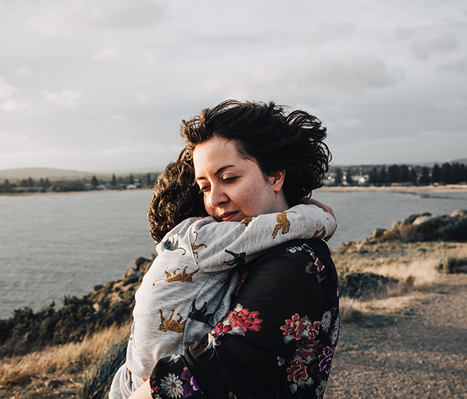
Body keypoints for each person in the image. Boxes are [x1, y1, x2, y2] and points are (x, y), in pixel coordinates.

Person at [130, 100, 340, 399]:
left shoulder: (297, 262)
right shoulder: (228, 245)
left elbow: (206, 375)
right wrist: (316, 214)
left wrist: (312, 215)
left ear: (276, 176)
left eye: (229, 178)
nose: (215, 199)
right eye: (204, 186)